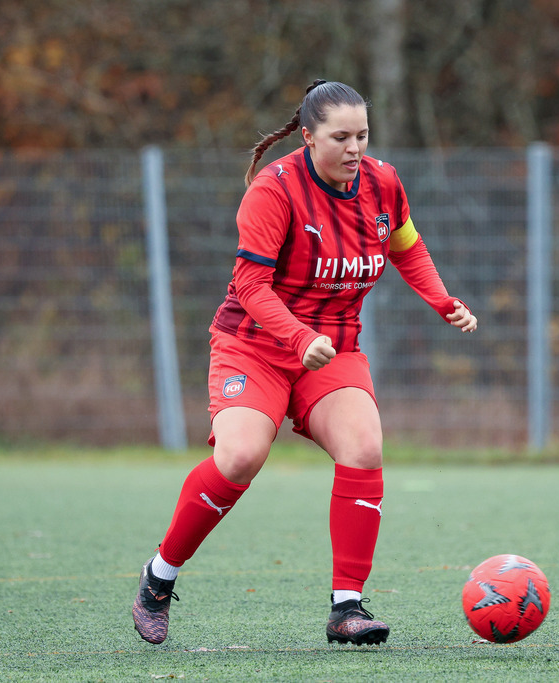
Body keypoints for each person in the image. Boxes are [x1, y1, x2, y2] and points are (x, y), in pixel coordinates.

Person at [131, 80, 478, 647]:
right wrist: (295, 338)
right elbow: (250, 284)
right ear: (309, 135)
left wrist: (443, 300)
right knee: (241, 456)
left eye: (363, 135)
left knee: (364, 447)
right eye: (341, 136)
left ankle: (348, 608)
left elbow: (406, 245)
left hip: (333, 347)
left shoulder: (384, 183)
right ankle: (159, 577)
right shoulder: (274, 190)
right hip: (256, 344)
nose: (355, 148)